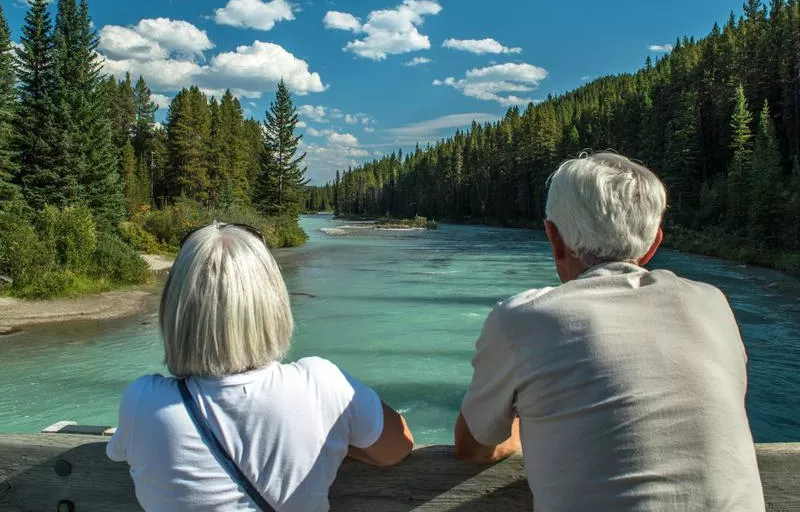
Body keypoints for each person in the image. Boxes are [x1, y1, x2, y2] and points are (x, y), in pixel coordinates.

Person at [454, 152, 765, 511]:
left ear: (554, 238)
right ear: (653, 245)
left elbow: (473, 447)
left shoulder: (523, 319)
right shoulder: (713, 304)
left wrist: (531, 426)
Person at [107, 223, 414, 512]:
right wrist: (335, 441)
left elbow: (121, 453)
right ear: (273, 304)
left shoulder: (142, 402)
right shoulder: (322, 385)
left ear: (176, 310)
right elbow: (398, 447)